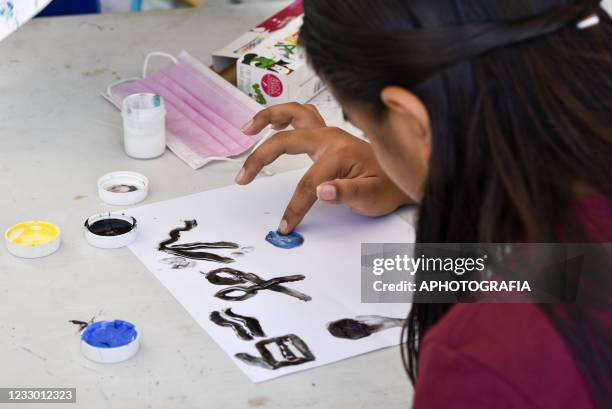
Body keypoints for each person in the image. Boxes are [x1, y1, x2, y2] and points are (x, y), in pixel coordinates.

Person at [235, 0, 612, 407]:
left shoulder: (484, 363)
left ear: (415, 123)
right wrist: (420, 177)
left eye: (365, 127)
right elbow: (567, 270)